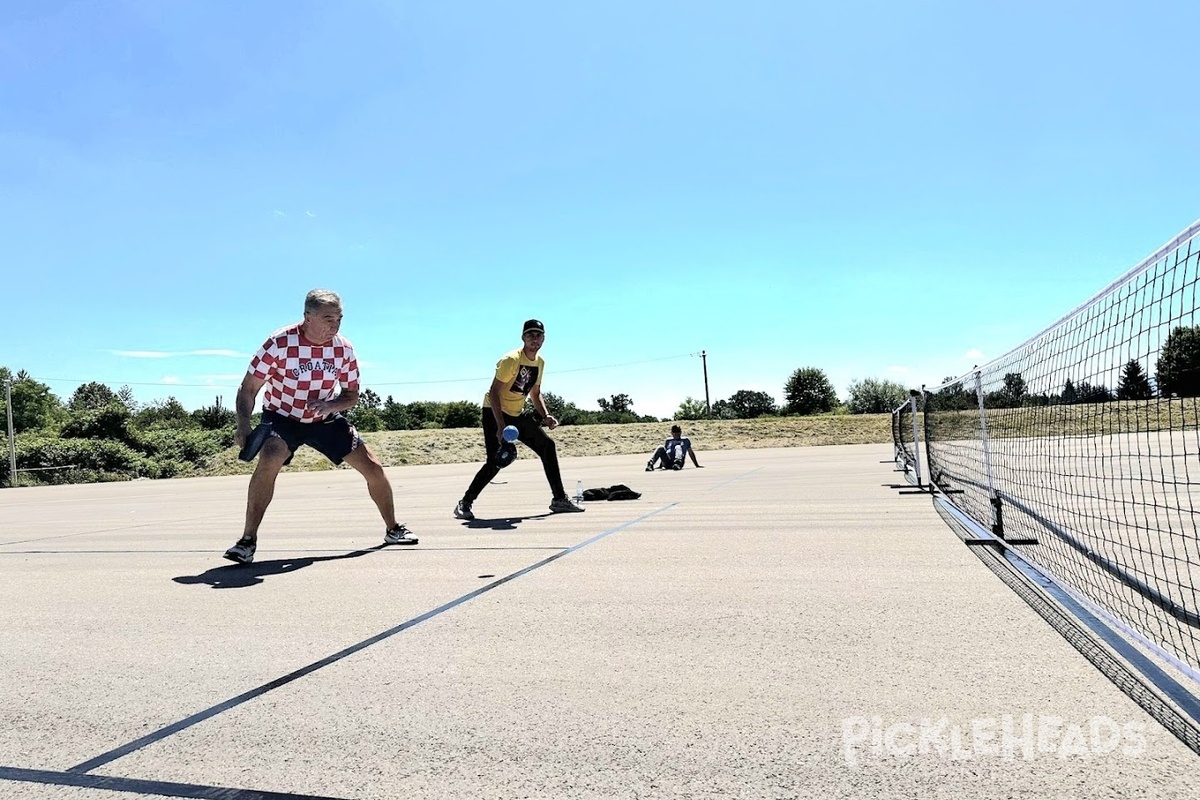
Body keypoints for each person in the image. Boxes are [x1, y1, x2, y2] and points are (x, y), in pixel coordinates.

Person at [223, 289, 417, 564]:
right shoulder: (279, 343)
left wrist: (331, 407)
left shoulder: (343, 349)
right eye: (328, 318)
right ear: (307, 317)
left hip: (324, 418)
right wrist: (243, 424)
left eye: (339, 318)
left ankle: (393, 529)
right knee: (270, 457)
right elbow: (248, 388)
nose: (334, 325)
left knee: (373, 466)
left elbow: (351, 395)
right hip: (282, 416)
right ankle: (246, 542)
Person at [453, 319, 584, 520]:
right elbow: (494, 392)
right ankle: (465, 503)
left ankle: (559, 499)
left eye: (538, 335)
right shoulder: (511, 360)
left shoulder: (539, 362)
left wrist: (545, 415)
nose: (535, 339)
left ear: (544, 339)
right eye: (530, 335)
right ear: (523, 337)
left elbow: (535, 392)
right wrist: (500, 426)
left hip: (516, 413)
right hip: (494, 411)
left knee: (547, 447)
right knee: (496, 460)